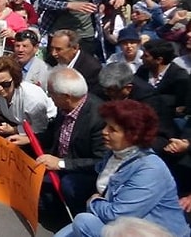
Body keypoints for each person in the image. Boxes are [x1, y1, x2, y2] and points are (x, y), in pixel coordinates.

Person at [53, 100, 190, 237]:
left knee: (83, 221)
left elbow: (117, 215)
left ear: (133, 135)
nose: (104, 132)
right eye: (106, 125)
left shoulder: (149, 169)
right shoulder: (114, 153)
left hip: (152, 231)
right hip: (114, 222)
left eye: (112, 129)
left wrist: (94, 202)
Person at [37, 67, 107, 215]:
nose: (50, 98)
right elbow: (54, 134)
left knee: (67, 185)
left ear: (66, 96)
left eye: (52, 94)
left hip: (82, 171)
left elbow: (100, 161)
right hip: (59, 160)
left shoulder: (98, 117)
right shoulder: (64, 108)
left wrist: (61, 164)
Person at [0, 56, 57, 145]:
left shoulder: (33, 99)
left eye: (5, 84)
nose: (0, 89)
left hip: (44, 127)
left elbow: (40, 128)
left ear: (15, 79)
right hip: (15, 122)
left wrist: (14, 130)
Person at [49, 29, 103, 95]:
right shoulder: (51, 60)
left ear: (75, 48)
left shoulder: (92, 69)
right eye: (52, 48)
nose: (53, 53)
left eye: (58, 49)